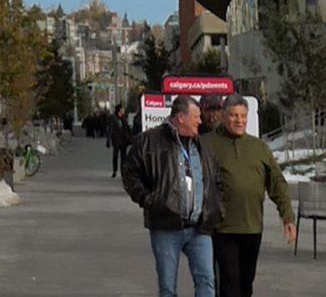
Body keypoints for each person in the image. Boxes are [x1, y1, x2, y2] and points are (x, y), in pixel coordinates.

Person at [122, 94, 220, 297]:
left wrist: (216, 208)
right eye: (196, 117)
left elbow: (215, 179)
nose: (200, 121)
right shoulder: (149, 141)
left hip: (199, 227)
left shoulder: (202, 145)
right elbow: (130, 173)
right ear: (181, 118)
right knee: (168, 287)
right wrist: (148, 199)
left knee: (207, 280)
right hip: (166, 226)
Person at [207, 100, 295, 297]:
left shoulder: (258, 148)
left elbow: (277, 183)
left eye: (243, 116)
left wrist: (287, 216)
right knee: (230, 283)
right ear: (223, 115)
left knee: (246, 283)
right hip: (222, 228)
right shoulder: (208, 144)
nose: (239, 120)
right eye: (234, 115)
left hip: (252, 227)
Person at [109, 103, 137, 179]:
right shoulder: (114, 118)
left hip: (123, 141)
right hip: (116, 141)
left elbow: (128, 129)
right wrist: (108, 140)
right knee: (115, 156)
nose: (124, 110)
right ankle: (115, 171)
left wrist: (132, 137)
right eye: (123, 109)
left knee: (124, 157)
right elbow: (110, 130)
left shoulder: (124, 119)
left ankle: (123, 171)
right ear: (119, 110)